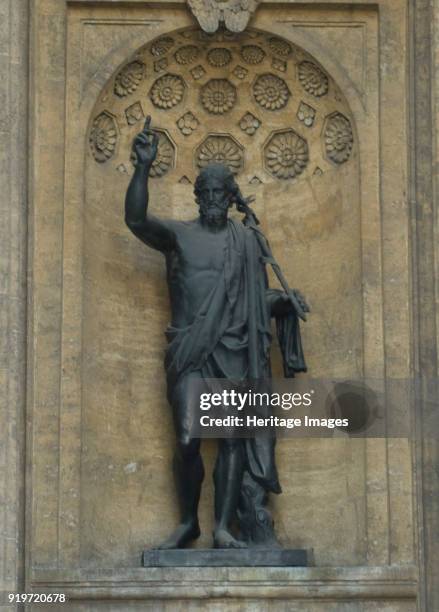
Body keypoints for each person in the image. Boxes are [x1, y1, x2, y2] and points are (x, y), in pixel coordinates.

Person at [125, 117, 308, 549]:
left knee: (230, 440)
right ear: (196, 196)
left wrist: (282, 303)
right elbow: (135, 219)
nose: (210, 200)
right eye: (204, 193)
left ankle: (223, 527)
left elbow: (252, 302)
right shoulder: (179, 236)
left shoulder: (246, 243)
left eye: (218, 194)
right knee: (189, 437)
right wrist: (142, 167)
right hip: (191, 352)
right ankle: (188, 521)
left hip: (234, 352)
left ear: (231, 199)